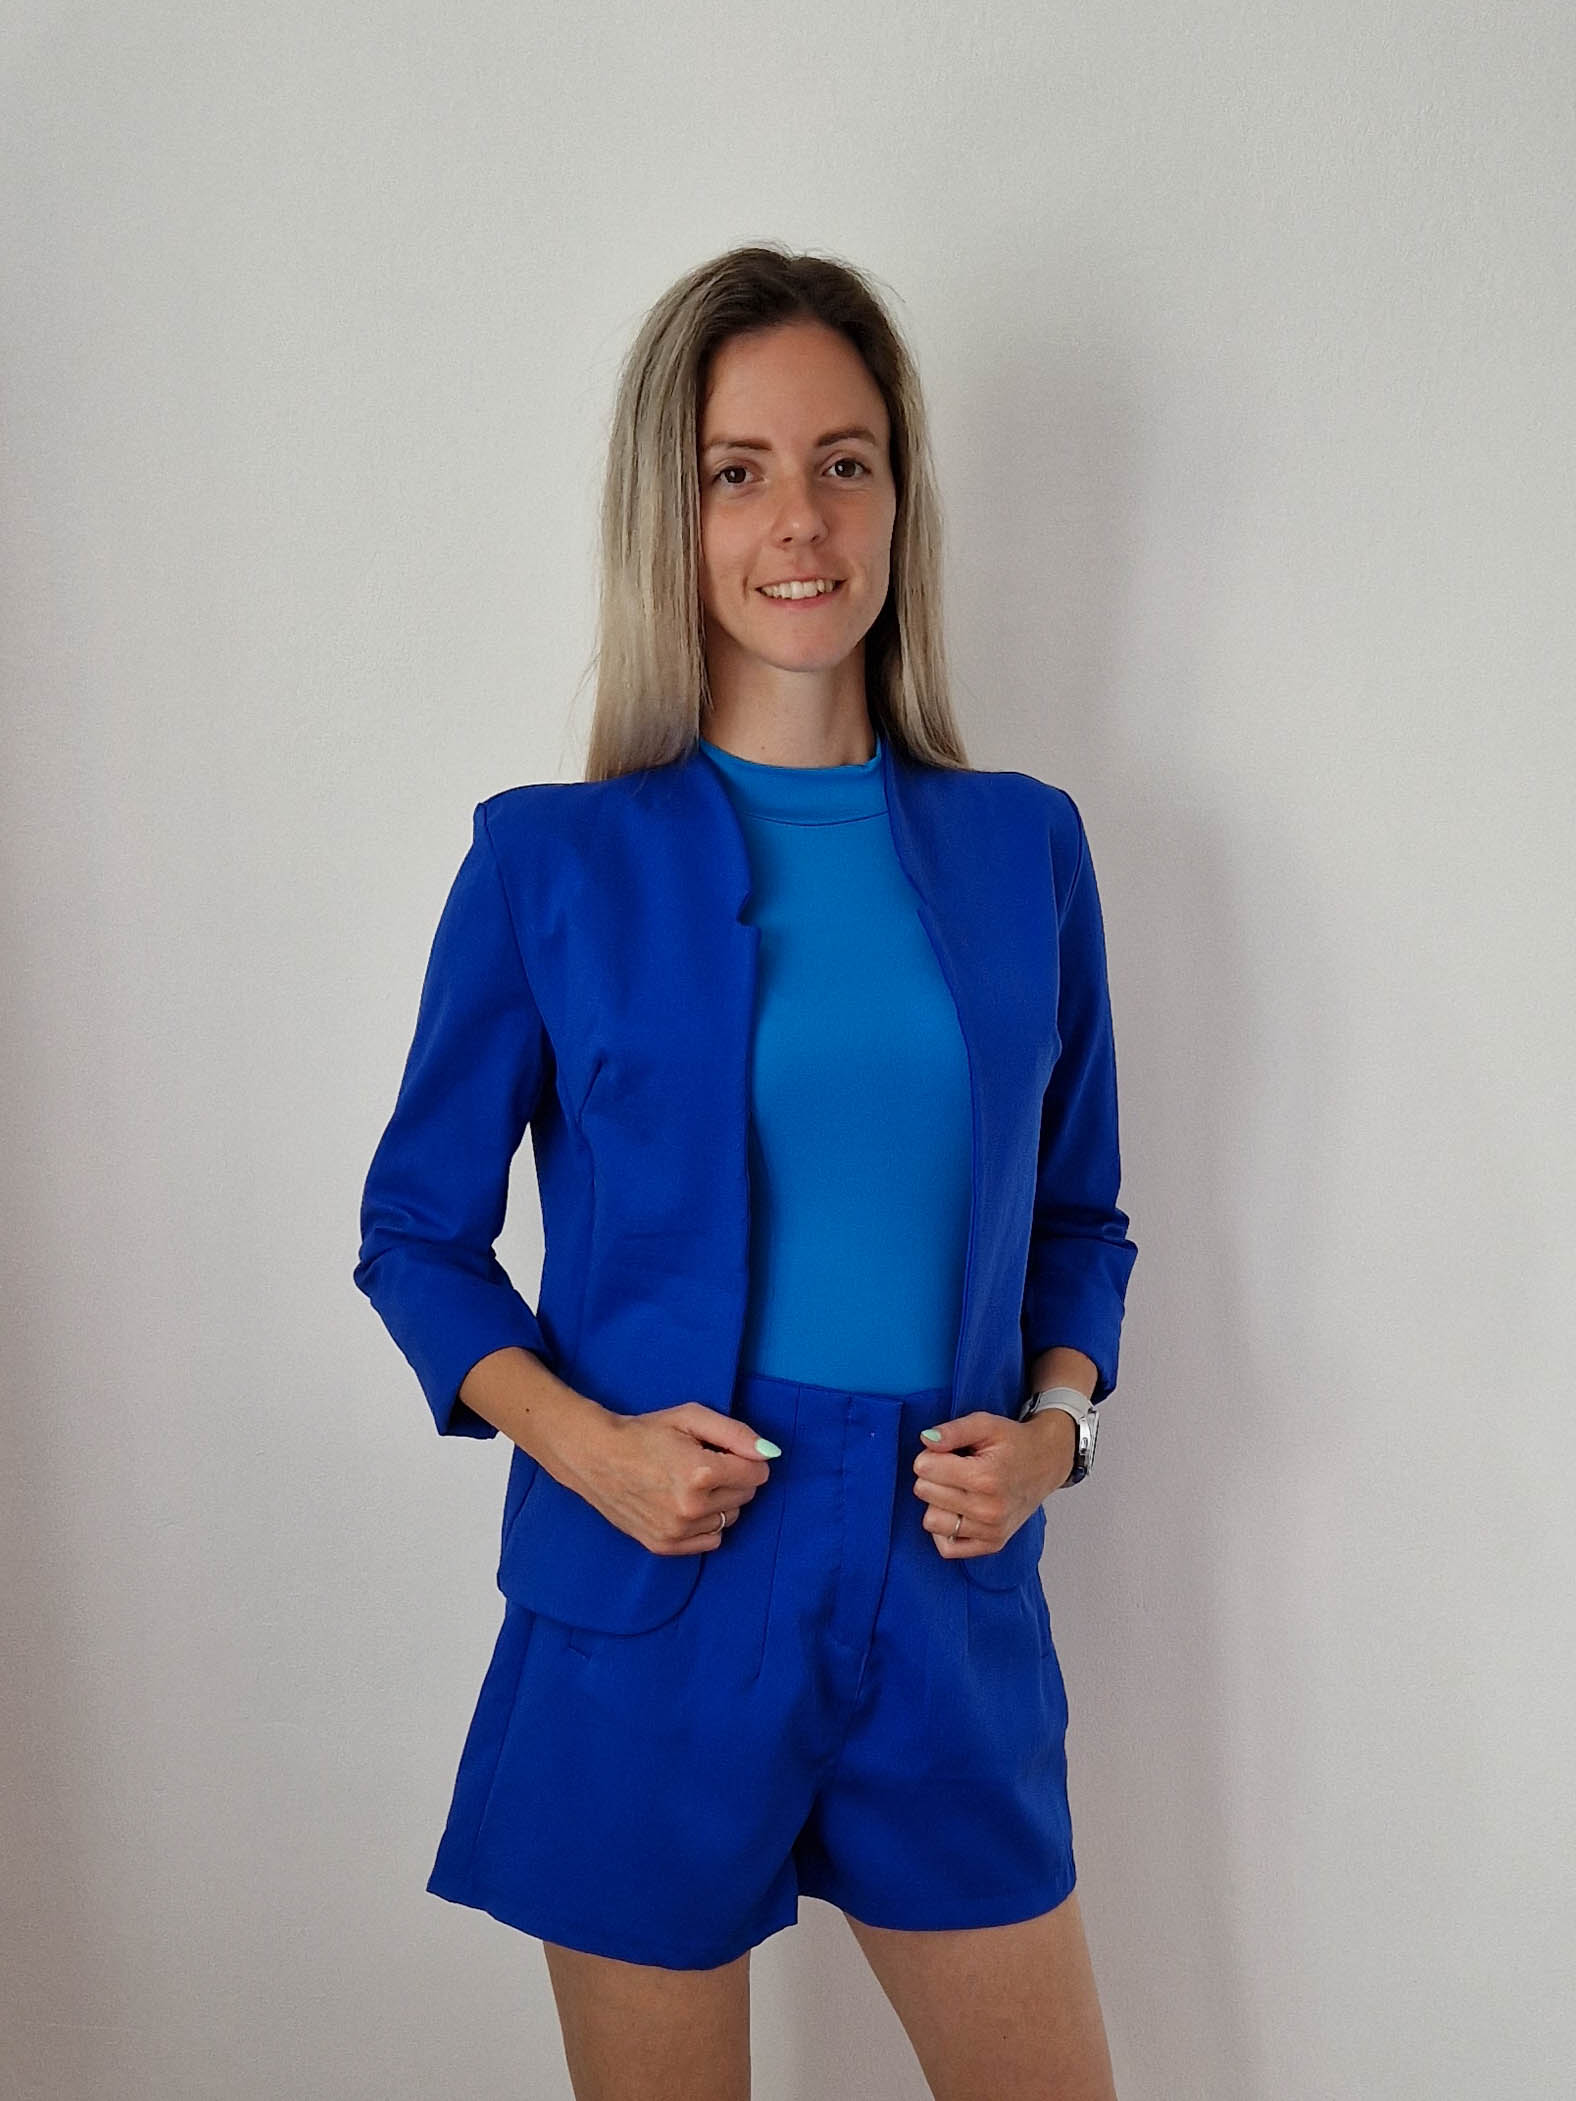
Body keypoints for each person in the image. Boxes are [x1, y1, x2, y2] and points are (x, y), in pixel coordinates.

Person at [355, 242, 1138, 2101]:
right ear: (676, 511)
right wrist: (591, 1446)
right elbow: (416, 1235)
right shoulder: (549, 863)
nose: (800, 518)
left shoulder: (1024, 850)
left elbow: (1078, 1216)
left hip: (945, 1584)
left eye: (844, 462)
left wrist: (1059, 1432)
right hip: (653, 1578)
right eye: (738, 470)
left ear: (898, 500)